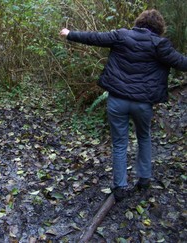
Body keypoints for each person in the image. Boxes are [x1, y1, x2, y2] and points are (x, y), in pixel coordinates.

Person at [60, 9, 187, 202]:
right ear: (159, 27)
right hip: (143, 104)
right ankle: (144, 179)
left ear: (139, 22)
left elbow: (94, 37)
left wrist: (70, 34)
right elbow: (182, 63)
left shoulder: (121, 36)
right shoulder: (160, 45)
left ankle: (119, 186)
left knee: (120, 143)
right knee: (143, 137)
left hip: (117, 100)